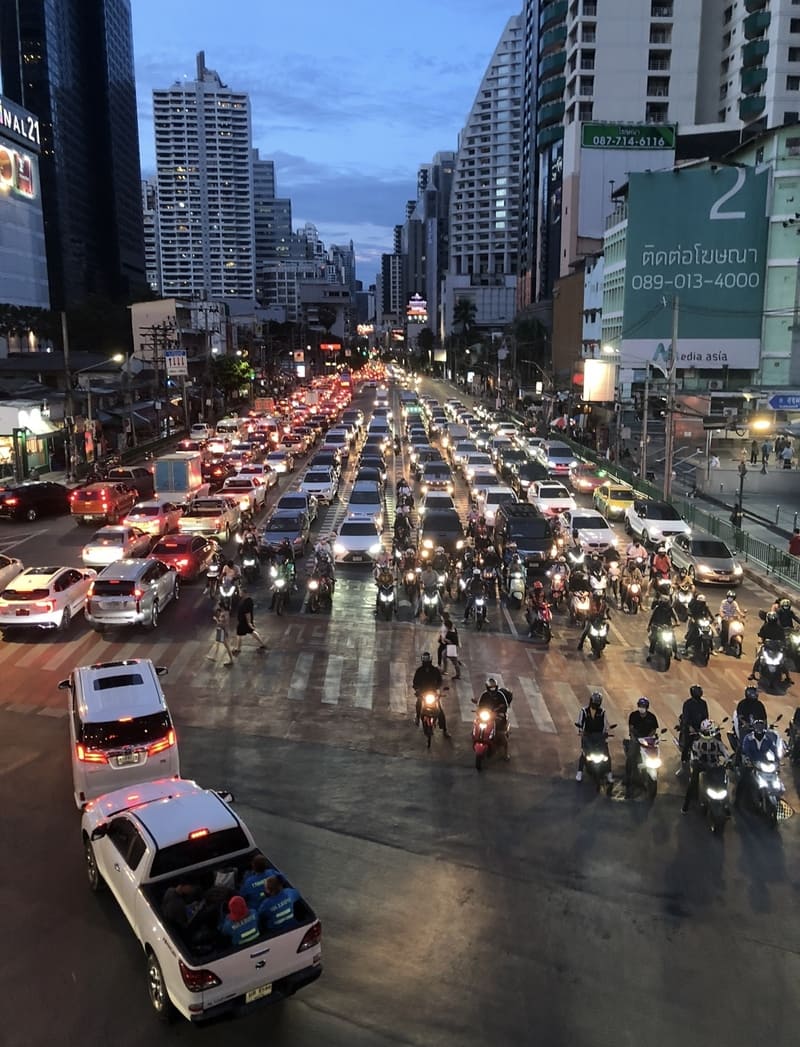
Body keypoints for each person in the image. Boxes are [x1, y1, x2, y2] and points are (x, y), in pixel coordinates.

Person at [681, 719, 729, 814]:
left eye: (711, 731)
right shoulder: (696, 740)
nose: (710, 734)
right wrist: (696, 760)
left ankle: (725, 804)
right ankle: (686, 805)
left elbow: (724, 750)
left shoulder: (717, 740)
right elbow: (694, 754)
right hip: (701, 765)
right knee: (693, 782)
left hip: (715, 765)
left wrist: (728, 759)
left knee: (724, 781)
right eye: (707, 731)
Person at [737, 719, 785, 805]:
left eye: (761, 726)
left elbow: (774, 749)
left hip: (763, 762)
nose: (759, 728)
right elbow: (745, 751)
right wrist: (747, 760)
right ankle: (740, 798)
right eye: (757, 726)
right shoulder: (748, 738)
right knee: (744, 777)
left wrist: (777, 760)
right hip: (752, 761)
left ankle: (778, 791)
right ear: (754, 728)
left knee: (775, 774)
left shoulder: (768, 739)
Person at [625, 696, 660, 796]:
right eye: (640, 706)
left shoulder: (652, 717)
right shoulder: (633, 715)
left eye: (643, 706)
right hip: (636, 739)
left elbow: (654, 729)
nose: (641, 708)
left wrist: (649, 738)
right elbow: (631, 728)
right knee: (631, 756)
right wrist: (633, 738)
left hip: (647, 740)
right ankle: (628, 777)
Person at [576, 691, 613, 783]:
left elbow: (605, 724)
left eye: (597, 703)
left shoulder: (602, 712)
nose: (595, 704)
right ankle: (579, 771)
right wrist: (581, 732)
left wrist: (606, 733)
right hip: (587, 736)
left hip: (599, 736)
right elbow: (580, 723)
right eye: (594, 702)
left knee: (606, 754)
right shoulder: (584, 711)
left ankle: (609, 773)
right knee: (584, 753)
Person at [748, 611, 793, 685]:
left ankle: (788, 677)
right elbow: (760, 635)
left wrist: (784, 644)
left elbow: (783, 638)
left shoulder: (780, 628)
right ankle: (752, 673)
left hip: (777, 648)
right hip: (766, 647)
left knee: (783, 661)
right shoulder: (765, 627)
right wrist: (760, 640)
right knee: (759, 658)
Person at [412, 652, 449, 734]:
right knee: (418, 703)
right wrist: (417, 690)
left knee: (440, 710)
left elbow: (440, 681)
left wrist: (439, 689)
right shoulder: (419, 671)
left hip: (433, 692)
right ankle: (418, 717)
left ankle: (445, 730)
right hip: (423, 692)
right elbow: (415, 682)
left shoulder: (435, 670)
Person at [476, 677, 512, 761]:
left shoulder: (500, 695)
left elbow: (505, 706)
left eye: (494, 687)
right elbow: (479, 705)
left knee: (501, 735)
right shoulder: (484, 695)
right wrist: (478, 711)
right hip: (487, 716)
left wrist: (499, 712)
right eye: (491, 688)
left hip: (498, 716)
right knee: (477, 723)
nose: (492, 690)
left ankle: (506, 753)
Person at [678, 684, 709, 767]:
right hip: (690, 727)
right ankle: (683, 762)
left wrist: (705, 725)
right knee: (687, 743)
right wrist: (689, 727)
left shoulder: (703, 703)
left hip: (700, 727)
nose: (699, 693)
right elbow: (686, 717)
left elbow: (706, 716)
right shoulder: (687, 704)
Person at [646, 594, 680, 661]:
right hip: (658, 626)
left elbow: (675, 616)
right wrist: (649, 626)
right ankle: (650, 655)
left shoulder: (670, 609)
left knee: (673, 639)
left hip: (668, 626)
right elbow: (652, 618)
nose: (665, 605)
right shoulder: (657, 608)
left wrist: (677, 622)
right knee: (654, 639)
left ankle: (676, 654)